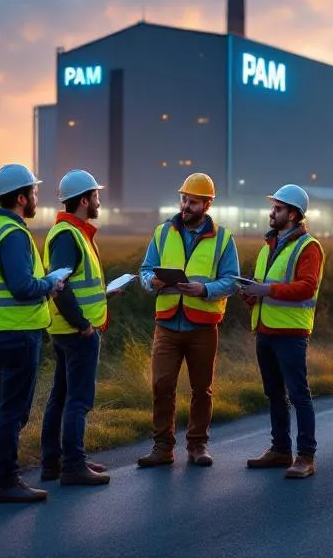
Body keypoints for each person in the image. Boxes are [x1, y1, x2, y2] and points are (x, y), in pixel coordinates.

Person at [0, 163, 66, 504]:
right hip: (17, 333)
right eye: (35, 193)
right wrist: (51, 283)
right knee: (12, 411)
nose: (37, 198)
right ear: (22, 197)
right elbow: (23, 286)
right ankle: (6, 481)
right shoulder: (14, 234)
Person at [136, 172, 239, 467]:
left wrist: (204, 289)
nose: (185, 206)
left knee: (201, 389)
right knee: (162, 386)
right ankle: (162, 448)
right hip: (167, 324)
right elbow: (145, 269)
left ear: (207, 204)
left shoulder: (223, 239)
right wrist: (151, 282)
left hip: (203, 327)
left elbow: (232, 281)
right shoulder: (162, 232)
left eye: (192, 202)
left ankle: (197, 446)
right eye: (183, 199)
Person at [39, 169, 121, 487]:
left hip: (69, 329)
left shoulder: (76, 233)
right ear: (85, 200)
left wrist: (107, 294)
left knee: (61, 396)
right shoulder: (67, 235)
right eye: (96, 196)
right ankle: (72, 465)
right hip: (76, 332)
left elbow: (78, 283)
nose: (99, 200)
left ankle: (54, 463)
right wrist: (83, 325)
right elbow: (60, 285)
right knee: (78, 399)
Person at [241, 184, 326, 479]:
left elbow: (306, 287)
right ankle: (280, 450)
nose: (271, 213)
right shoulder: (270, 245)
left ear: (292, 214)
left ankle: (306, 457)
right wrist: (252, 293)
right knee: (274, 393)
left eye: (277, 209)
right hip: (265, 330)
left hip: (291, 332)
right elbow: (267, 285)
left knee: (299, 395)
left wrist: (265, 289)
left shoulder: (309, 247)